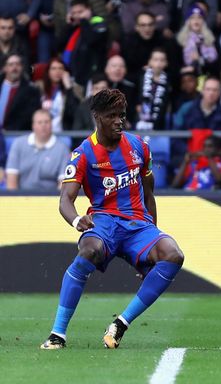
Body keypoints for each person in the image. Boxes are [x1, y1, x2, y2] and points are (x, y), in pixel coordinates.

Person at [40, 88, 185, 350]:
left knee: (173, 254)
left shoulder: (139, 147)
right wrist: (76, 221)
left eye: (122, 115)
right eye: (112, 116)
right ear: (97, 117)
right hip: (103, 223)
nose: (119, 121)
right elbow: (65, 200)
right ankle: (57, 334)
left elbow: (149, 193)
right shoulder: (83, 153)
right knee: (88, 251)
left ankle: (120, 324)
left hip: (138, 225)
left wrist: (152, 234)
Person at [5, 109, 70, 191]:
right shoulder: (18, 144)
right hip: (21, 198)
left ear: (51, 124)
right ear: (33, 125)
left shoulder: (62, 149)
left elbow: (63, 184)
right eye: (39, 122)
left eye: (46, 122)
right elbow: (11, 180)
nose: (43, 125)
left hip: (50, 199)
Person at [0, 54, 41, 130]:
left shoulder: (32, 92)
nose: (14, 68)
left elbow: (28, 118)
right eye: (11, 65)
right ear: (5, 68)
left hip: (15, 135)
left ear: (22, 68)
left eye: (18, 64)